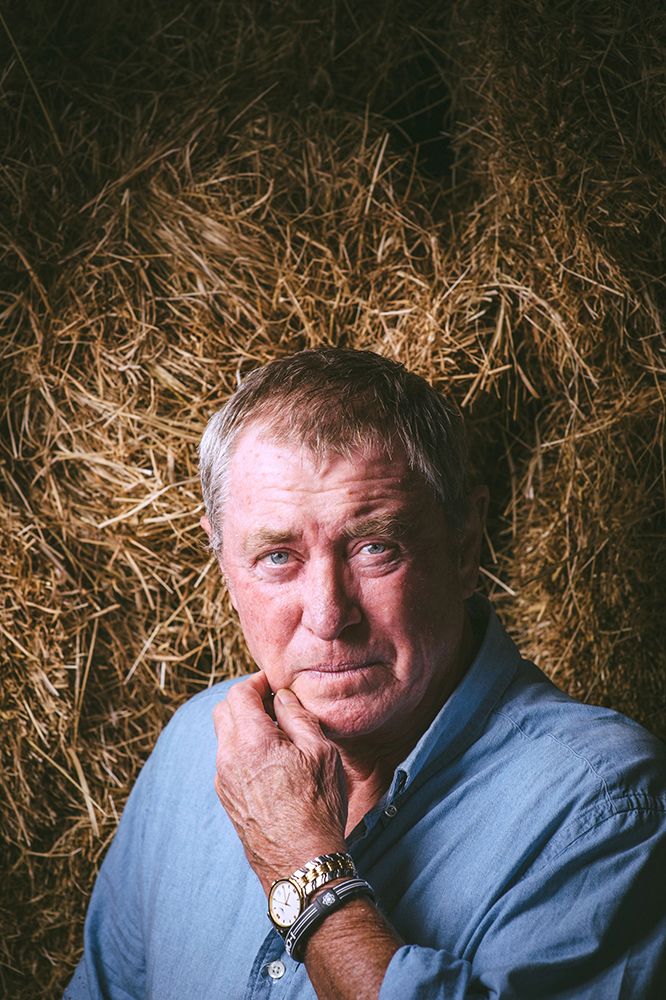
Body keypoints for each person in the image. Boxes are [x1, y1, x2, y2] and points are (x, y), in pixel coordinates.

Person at [65, 348, 666, 1000]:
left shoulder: (605, 808)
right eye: (277, 556)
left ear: (465, 549)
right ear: (224, 571)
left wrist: (304, 866)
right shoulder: (191, 749)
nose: (329, 616)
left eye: (375, 547)